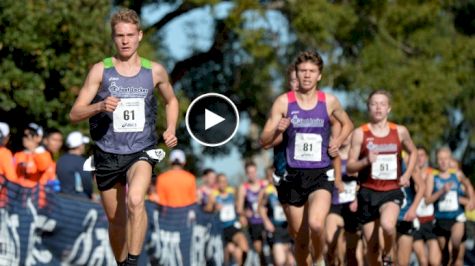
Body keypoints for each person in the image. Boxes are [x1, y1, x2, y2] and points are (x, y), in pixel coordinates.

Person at [69, 8, 178, 266]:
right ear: (113, 38)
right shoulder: (100, 70)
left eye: (130, 35)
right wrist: (99, 106)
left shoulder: (155, 71)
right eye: (120, 36)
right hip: (107, 152)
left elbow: (171, 100)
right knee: (116, 222)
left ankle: (133, 261)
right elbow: (74, 113)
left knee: (136, 199)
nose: (126, 40)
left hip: (141, 149)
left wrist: (171, 127)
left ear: (139, 36)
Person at [259, 50, 353, 265]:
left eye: (312, 71)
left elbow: (348, 124)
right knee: (300, 242)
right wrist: (276, 131)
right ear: (297, 74)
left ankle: (319, 260)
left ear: (319, 75)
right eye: (303, 71)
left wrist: (337, 141)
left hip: (320, 174)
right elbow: (263, 141)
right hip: (293, 177)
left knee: (317, 224)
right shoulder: (283, 103)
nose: (307, 75)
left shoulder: (329, 101)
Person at [346, 90, 417, 266]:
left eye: (382, 104)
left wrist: (407, 174)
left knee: (387, 225)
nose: (378, 107)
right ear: (368, 108)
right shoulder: (360, 133)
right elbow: (349, 167)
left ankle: (388, 253)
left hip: (391, 191)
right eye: (374, 104)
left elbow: (413, 152)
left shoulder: (399, 131)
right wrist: (365, 161)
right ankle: (380, 256)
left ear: (389, 108)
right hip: (367, 193)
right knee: (371, 248)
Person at [425, 147, 474, 266]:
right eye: (440, 159)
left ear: (450, 160)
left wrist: (472, 199)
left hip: (457, 217)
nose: (443, 161)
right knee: (445, 255)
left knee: (455, 243)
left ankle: (455, 258)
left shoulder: (457, 175)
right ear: (437, 161)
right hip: (441, 219)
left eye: (446, 159)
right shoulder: (432, 177)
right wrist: (441, 191)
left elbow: (468, 185)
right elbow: (427, 200)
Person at [325, 133, 362, 266]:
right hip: (334, 204)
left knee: (352, 253)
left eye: (347, 133)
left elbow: (365, 182)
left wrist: (358, 199)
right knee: (330, 244)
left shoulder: (358, 156)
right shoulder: (328, 158)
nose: (344, 136)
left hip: (353, 205)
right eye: (340, 132)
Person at [206, 173, 249, 266]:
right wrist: (214, 207)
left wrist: (242, 216)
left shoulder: (232, 192)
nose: (223, 184)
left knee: (243, 247)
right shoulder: (213, 195)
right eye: (220, 182)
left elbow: (239, 208)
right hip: (220, 230)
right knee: (230, 252)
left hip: (232, 226)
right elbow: (207, 210)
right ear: (217, 183)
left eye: (225, 182)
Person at [258, 166, 295, 266]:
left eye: (274, 175)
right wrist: (266, 221)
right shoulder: (266, 191)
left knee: (291, 261)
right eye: (270, 176)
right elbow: (261, 208)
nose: (272, 178)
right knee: (280, 261)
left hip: (288, 227)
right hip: (275, 229)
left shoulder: (286, 188)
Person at [395, 152, 426, 266]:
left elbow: (422, 186)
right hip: (386, 215)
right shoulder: (378, 153)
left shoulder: (407, 159)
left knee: (403, 262)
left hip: (405, 215)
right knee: (387, 258)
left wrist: (413, 209)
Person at [412, 146, 440, 266]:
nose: (419, 158)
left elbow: (427, 194)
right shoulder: (410, 173)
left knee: (434, 262)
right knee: (423, 261)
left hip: (430, 220)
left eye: (422, 155)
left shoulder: (433, 174)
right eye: (417, 156)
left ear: (427, 157)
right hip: (415, 221)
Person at [236, 161, 267, 265]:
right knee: (260, 249)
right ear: (246, 174)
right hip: (254, 222)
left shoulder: (264, 185)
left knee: (273, 249)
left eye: (253, 172)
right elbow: (239, 209)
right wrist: (245, 213)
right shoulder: (243, 188)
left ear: (257, 171)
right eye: (249, 173)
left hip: (267, 220)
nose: (252, 175)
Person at [56, 131, 93, 199]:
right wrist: (90, 195)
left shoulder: (61, 160)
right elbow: (87, 182)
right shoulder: (81, 162)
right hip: (78, 199)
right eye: (83, 144)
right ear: (79, 146)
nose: (84, 146)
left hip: (61, 198)